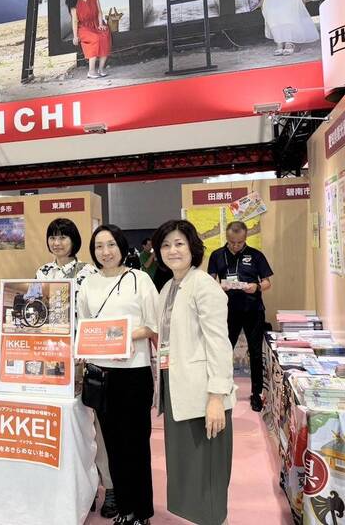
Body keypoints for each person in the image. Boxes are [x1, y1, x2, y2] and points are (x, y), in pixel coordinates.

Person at [153, 219, 235, 525]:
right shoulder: (169, 287)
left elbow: (219, 343)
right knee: (187, 469)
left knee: (207, 473)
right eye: (165, 245)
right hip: (178, 389)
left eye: (179, 244)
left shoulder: (204, 286)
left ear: (193, 248)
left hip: (204, 393)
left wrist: (216, 396)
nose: (172, 250)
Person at [35, 218, 117, 518]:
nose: (57, 243)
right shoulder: (42, 272)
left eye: (63, 237)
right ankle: (82, 486)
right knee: (66, 425)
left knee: (95, 424)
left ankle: (110, 486)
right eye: (52, 237)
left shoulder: (88, 272)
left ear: (74, 241)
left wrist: (85, 348)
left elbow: (93, 315)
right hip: (51, 358)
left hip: (84, 358)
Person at [78, 225, 159, 525]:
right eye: (99, 246)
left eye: (111, 244)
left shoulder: (139, 279)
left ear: (122, 247)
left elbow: (153, 325)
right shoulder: (88, 283)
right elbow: (85, 325)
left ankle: (142, 512)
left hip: (134, 373)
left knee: (136, 445)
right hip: (101, 374)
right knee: (112, 445)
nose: (105, 251)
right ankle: (125, 509)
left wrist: (122, 337)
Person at [207, 220, 273, 412]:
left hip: (253, 310)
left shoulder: (256, 255)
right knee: (224, 351)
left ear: (245, 238)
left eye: (239, 242)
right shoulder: (217, 255)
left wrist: (257, 287)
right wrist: (218, 287)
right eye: (232, 242)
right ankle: (222, 390)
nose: (236, 246)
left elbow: (267, 282)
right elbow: (209, 281)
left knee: (255, 352)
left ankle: (256, 394)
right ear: (227, 238)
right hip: (227, 311)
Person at [65, 0, 112, 79]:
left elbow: (99, 12)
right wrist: (75, 36)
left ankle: (101, 69)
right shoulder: (74, 3)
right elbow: (75, 21)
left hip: (96, 23)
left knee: (104, 35)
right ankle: (91, 71)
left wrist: (101, 24)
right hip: (84, 27)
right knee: (95, 38)